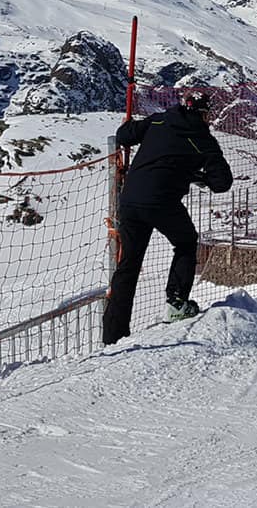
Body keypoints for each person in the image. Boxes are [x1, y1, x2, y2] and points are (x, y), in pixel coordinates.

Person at [102, 89, 233, 346]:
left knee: (128, 264)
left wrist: (130, 125)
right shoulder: (202, 139)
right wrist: (199, 177)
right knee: (185, 242)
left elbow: (123, 136)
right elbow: (222, 183)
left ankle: (113, 333)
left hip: (129, 200)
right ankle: (177, 302)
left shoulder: (159, 120)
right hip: (162, 202)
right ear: (205, 113)